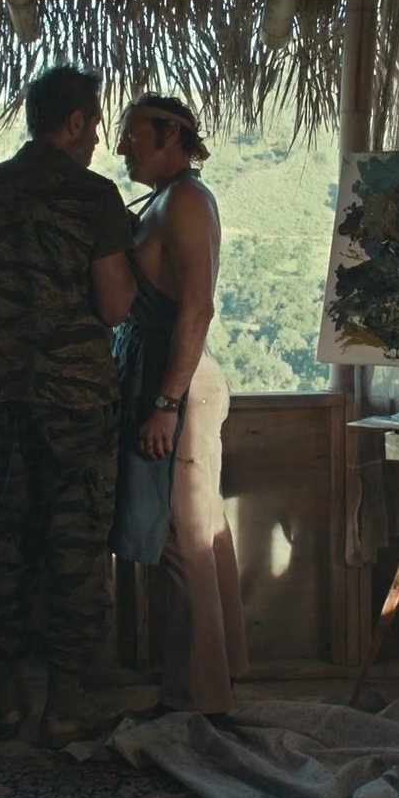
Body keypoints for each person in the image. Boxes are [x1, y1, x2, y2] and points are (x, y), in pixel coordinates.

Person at [0, 66, 136, 747]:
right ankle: (65, 702)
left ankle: (4, 698)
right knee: (75, 550)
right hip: (77, 407)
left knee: (7, 544)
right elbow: (114, 306)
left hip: (2, 402)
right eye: (95, 125)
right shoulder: (94, 197)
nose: (98, 141)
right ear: (76, 122)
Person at [111, 93, 247, 721]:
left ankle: (198, 700)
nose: (122, 147)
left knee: (182, 539)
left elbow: (197, 306)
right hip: (170, 378)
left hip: (180, 384)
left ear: (172, 137)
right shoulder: (166, 200)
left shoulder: (186, 201)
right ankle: (215, 676)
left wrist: (167, 402)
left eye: (133, 135)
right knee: (198, 532)